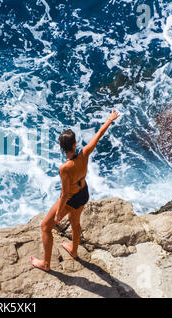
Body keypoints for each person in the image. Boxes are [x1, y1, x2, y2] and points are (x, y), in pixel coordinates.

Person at [31, 108, 120, 271]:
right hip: (83, 194)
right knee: (75, 222)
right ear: (74, 144)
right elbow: (99, 134)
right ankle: (73, 250)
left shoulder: (65, 168)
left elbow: (65, 194)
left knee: (45, 227)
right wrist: (110, 119)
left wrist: (58, 213)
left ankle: (45, 263)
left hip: (71, 198)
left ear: (62, 147)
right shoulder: (84, 153)